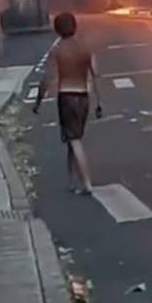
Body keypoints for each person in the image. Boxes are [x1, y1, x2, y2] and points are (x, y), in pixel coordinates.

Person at [34, 12, 102, 193]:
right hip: (83, 97)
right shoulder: (85, 47)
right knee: (72, 138)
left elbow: (47, 78)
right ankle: (71, 181)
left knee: (74, 139)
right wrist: (98, 103)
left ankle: (87, 183)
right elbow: (95, 73)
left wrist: (38, 102)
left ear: (57, 29)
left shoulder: (57, 50)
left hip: (67, 97)